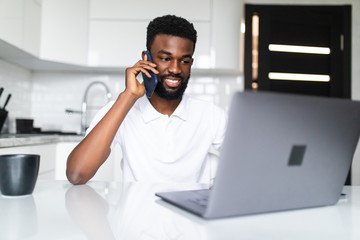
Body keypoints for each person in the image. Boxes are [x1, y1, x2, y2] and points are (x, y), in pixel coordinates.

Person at [66, 15, 227, 185]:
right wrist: (129, 96)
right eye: (165, 58)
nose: (175, 69)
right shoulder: (121, 109)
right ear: (146, 58)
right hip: (137, 211)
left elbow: (248, 165)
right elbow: (77, 174)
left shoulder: (210, 114)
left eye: (184, 61)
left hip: (191, 211)